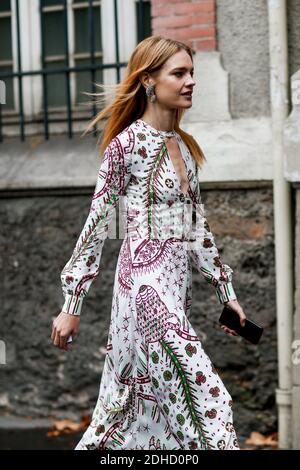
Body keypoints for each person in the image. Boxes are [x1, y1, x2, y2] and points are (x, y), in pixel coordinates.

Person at [51, 35, 246, 450]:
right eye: (179, 73)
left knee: (138, 411)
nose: (191, 81)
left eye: (192, 72)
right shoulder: (125, 146)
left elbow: (196, 227)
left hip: (176, 290)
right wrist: (72, 306)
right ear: (148, 80)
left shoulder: (185, 149)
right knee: (206, 402)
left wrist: (225, 294)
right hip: (144, 291)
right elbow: (98, 224)